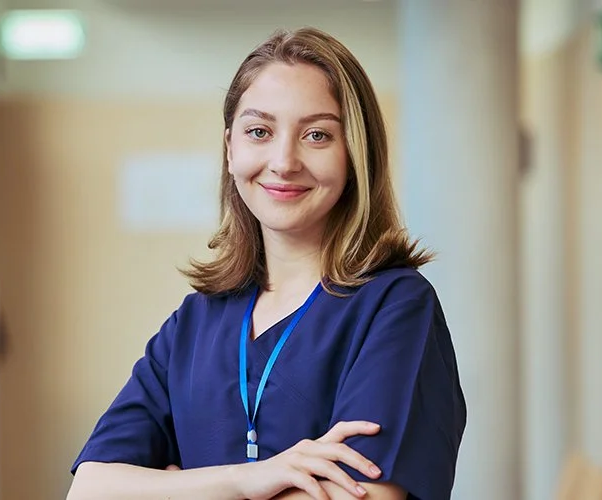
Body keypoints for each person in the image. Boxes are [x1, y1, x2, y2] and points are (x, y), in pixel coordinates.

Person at [66, 26, 466, 500]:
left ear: (356, 154)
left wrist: (175, 487)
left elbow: (366, 496)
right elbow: (91, 488)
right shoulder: (196, 322)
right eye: (260, 131)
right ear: (230, 147)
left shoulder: (395, 308)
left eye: (317, 135)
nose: (284, 161)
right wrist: (246, 479)